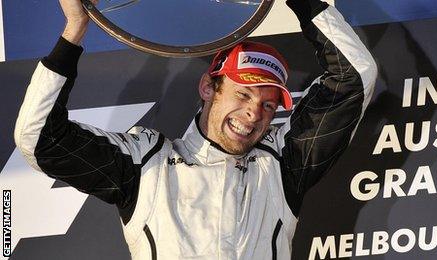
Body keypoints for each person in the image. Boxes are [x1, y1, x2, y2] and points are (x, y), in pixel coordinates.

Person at [13, 0, 377, 258]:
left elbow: (353, 77)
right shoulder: (145, 166)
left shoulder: (283, 165)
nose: (253, 113)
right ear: (208, 88)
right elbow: (39, 139)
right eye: (243, 94)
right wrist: (73, 33)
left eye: (268, 104)